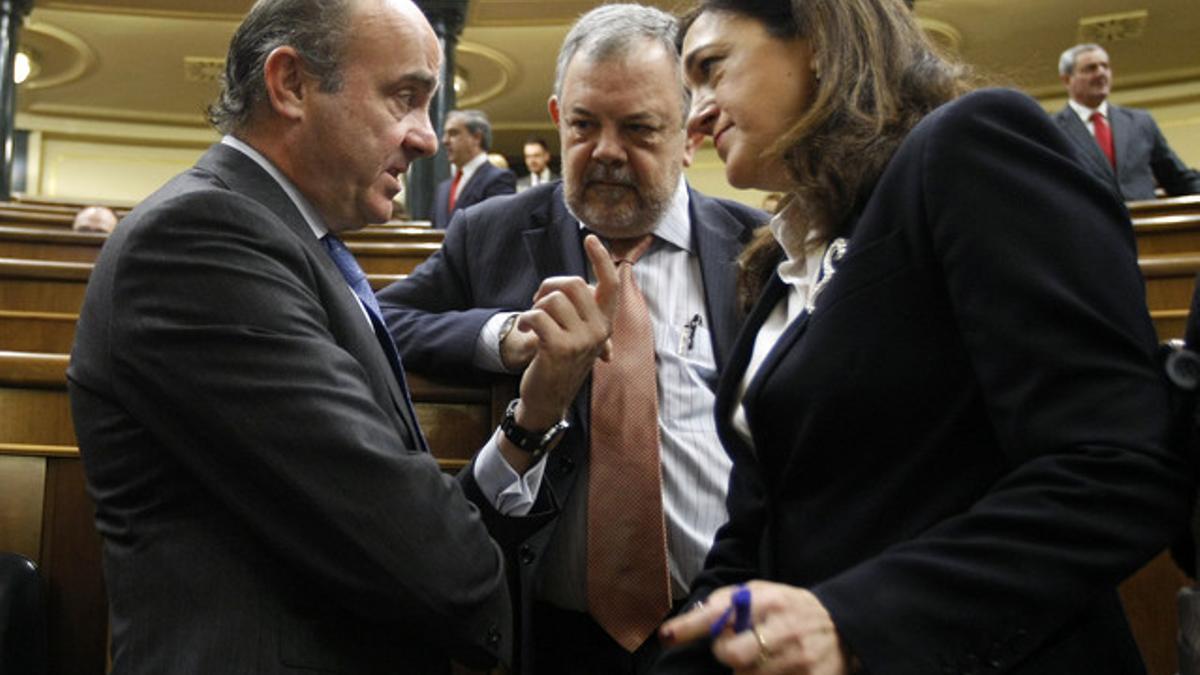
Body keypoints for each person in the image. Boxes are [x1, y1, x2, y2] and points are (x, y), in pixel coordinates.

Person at [65, 1, 617, 673]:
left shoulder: (288, 241)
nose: (426, 138)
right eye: (404, 98)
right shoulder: (199, 241)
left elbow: (386, 516)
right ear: (291, 84)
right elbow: (419, 552)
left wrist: (532, 418)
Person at [654, 1, 1196, 673]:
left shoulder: (970, 142)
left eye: (712, 69)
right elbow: (759, 520)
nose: (697, 112)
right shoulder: (784, 267)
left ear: (817, 39)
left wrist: (855, 620)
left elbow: (1115, 462)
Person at [377, 5, 765, 674]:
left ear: (690, 133)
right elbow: (382, 321)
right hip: (549, 632)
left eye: (639, 129)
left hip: (727, 624)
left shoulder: (753, 249)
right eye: (585, 125)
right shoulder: (491, 232)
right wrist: (505, 336)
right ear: (558, 119)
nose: (606, 151)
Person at [1053, 43, 1200, 201]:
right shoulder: (1053, 128)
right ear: (1067, 79)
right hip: (1088, 222)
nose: (1101, 73)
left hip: (1144, 221)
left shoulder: (1140, 122)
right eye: (1091, 68)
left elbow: (1176, 178)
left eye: (1105, 66)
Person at [432, 108, 516, 228]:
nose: (445, 140)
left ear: (476, 138)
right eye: (445, 134)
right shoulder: (443, 189)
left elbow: (498, 230)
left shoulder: (499, 179)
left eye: (453, 133)